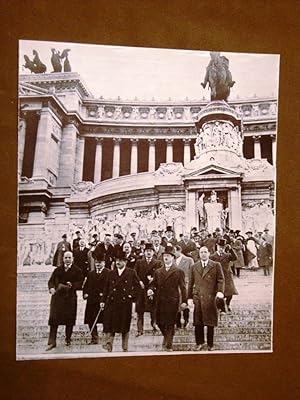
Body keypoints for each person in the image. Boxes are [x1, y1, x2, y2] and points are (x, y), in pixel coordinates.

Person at [147, 245, 187, 351]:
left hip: (172, 301)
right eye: (164, 255)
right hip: (160, 301)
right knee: (159, 322)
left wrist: (184, 301)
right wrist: (150, 289)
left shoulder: (178, 271)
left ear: (173, 257)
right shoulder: (158, 271)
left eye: (168, 256)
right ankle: (166, 338)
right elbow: (153, 284)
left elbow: (183, 287)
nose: (166, 257)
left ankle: (169, 345)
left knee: (170, 323)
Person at [102, 249, 140, 352]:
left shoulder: (131, 273)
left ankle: (125, 348)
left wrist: (131, 297)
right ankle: (109, 347)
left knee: (124, 327)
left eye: (120, 260)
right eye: (116, 260)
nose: (117, 262)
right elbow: (106, 288)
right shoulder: (111, 273)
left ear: (125, 261)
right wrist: (103, 300)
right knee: (110, 326)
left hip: (125, 304)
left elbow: (137, 288)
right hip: (112, 303)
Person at [188, 246, 225, 351]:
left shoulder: (216, 265)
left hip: (211, 297)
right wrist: (189, 297)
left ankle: (210, 344)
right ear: (199, 254)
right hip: (198, 298)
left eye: (205, 252)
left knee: (210, 323)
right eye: (201, 252)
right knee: (198, 322)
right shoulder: (194, 266)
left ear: (209, 253)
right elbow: (190, 283)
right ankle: (199, 343)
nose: (203, 254)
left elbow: (221, 280)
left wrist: (220, 291)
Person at [46, 251, 84, 350]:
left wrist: (73, 285)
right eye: (66, 257)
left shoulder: (77, 270)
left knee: (69, 320)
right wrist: (51, 288)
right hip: (57, 298)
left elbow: (81, 283)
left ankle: (68, 338)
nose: (67, 259)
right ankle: (52, 341)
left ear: (73, 258)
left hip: (70, 298)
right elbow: (51, 281)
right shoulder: (58, 270)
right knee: (54, 320)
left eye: (69, 257)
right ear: (63, 259)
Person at [83, 247, 110, 344]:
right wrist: (85, 293)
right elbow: (86, 286)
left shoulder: (109, 273)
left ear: (104, 263)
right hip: (92, 301)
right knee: (91, 320)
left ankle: (107, 338)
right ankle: (94, 337)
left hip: (104, 300)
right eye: (97, 262)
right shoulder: (91, 273)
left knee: (106, 320)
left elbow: (111, 287)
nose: (98, 264)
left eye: (100, 262)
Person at [135, 243, 162, 336]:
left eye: (150, 251)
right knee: (140, 310)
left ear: (153, 252)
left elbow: (159, 274)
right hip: (141, 289)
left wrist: (153, 280)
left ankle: (154, 324)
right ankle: (139, 329)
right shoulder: (139, 262)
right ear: (144, 252)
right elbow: (135, 274)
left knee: (153, 308)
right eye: (147, 251)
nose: (148, 253)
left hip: (152, 288)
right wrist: (139, 282)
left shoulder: (157, 262)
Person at [210, 239, 238, 312]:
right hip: (217, 277)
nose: (221, 249)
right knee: (219, 292)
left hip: (227, 276)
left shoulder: (228, 255)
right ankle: (220, 307)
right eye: (220, 247)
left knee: (230, 292)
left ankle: (228, 304)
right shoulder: (212, 256)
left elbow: (235, 258)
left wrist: (231, 249)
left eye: (223, 247)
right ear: (217, 247)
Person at [174, 245, 194, 328]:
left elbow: (193, 273)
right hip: (175, 285)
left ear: (179, 251)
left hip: (186, 284)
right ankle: (177, 321)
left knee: (185, 302)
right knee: (176, 303)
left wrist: (192, 284)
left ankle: (186, 320)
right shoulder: (172, 260)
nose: (173, 253)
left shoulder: (189, 260)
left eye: (174, 251)